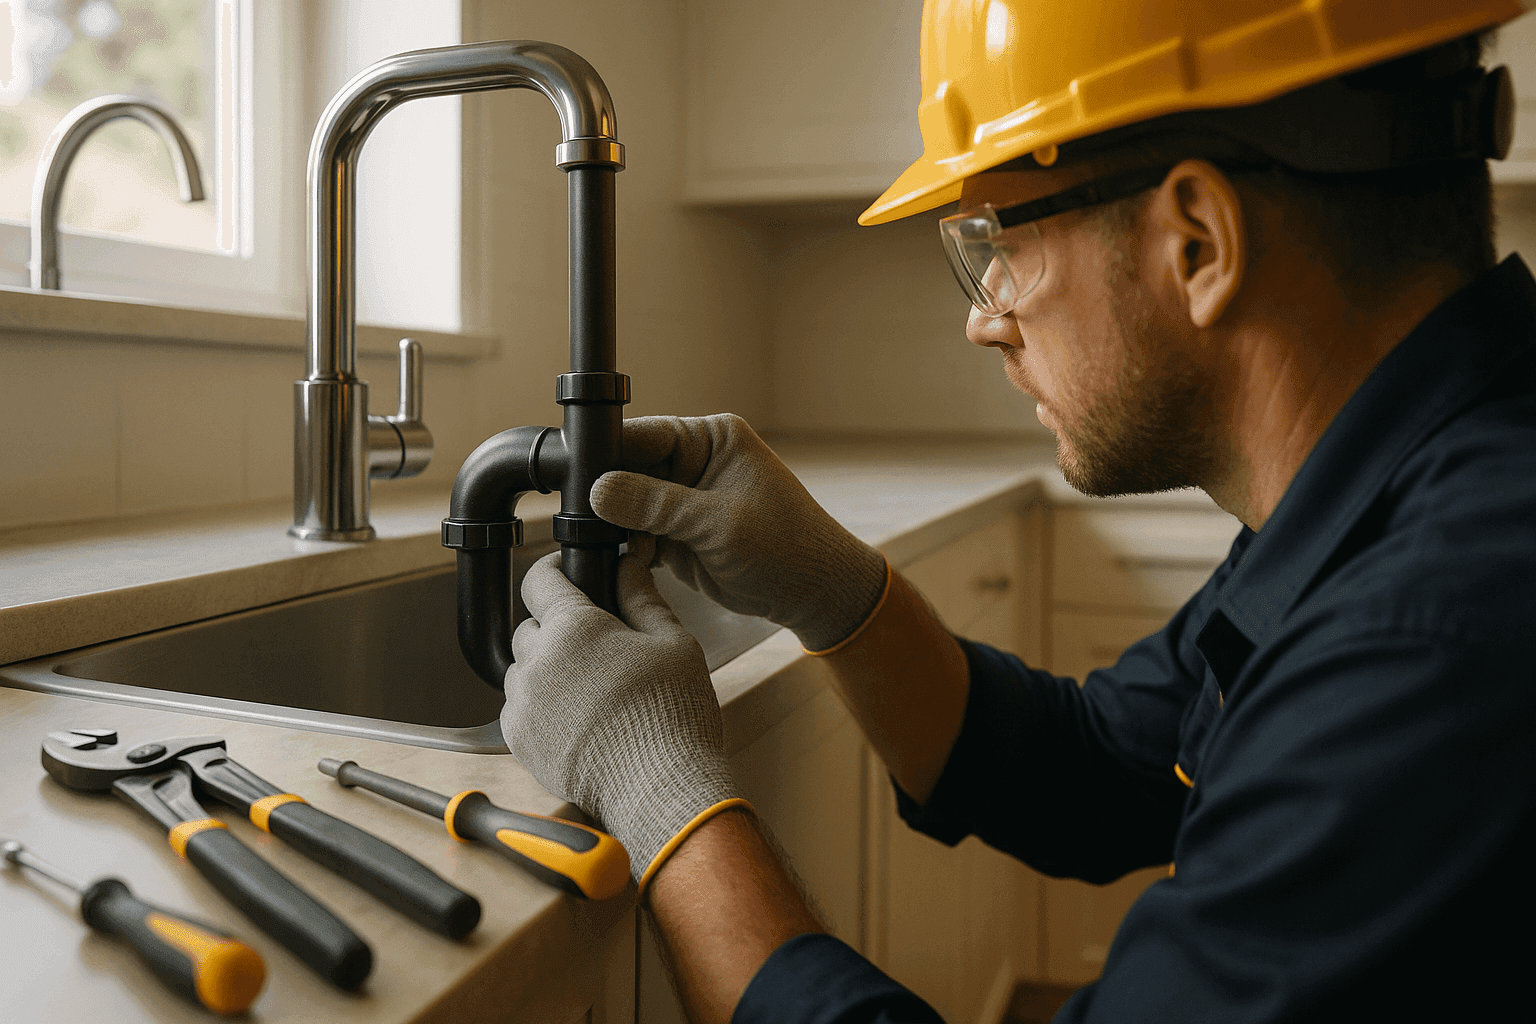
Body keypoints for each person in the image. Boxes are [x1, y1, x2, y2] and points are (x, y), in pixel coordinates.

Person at [501, 2, 1536, 1021]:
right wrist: (835, 591)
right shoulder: (1395, 498)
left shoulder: (1442, 634)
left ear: (1197, 243)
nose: (982, 316)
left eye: (1003, 234)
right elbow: (1093, 765)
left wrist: (662, 801)